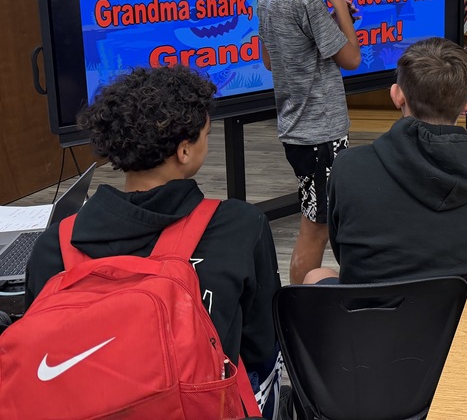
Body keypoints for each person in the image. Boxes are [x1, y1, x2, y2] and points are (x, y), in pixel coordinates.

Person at [25, 66, 282, 415]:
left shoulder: (55, 245)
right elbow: (262, 346)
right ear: (185, 150)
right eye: (206, 133)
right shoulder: (240, 226)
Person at [304, 37, 467, 285]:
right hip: (454, 318)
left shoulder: (348, 168)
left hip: (363, 316)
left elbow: (343, 254)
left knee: (316, 276)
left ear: (397, 95)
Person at [256, 0, 361, 285]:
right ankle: (299, 313)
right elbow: (351, 58)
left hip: (297, 129)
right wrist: (336, 2)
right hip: (321, 134)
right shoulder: (308, 1)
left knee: (323, 217)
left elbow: (270, 61)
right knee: (314, 227)